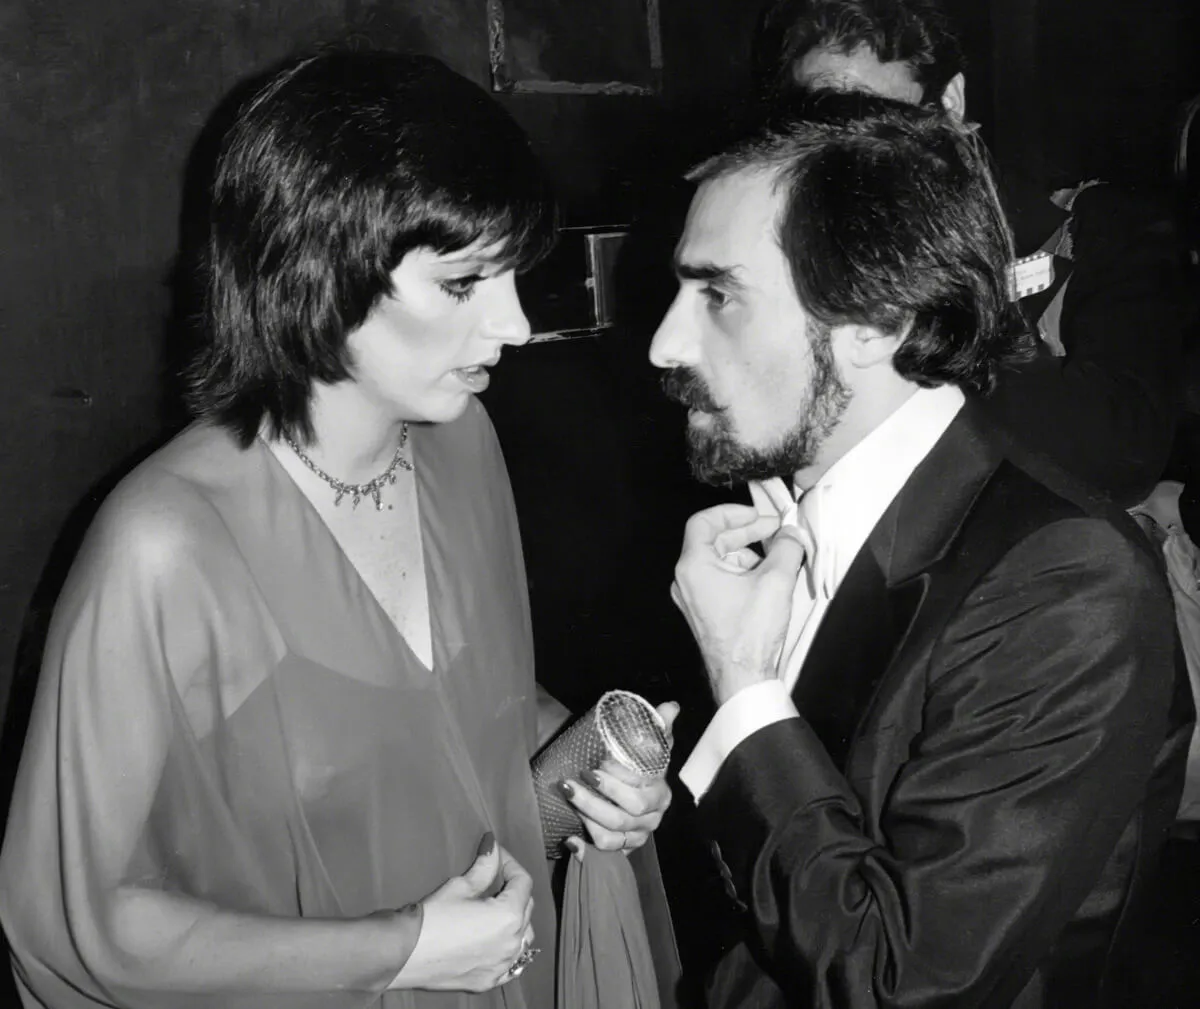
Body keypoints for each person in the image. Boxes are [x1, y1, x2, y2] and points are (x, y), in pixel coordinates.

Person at [0, 50, 672, 1009]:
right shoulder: (167, 546)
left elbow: (444, 704)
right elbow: (85, 918)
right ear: (317, 268)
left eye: (512, 275)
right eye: (462, 283)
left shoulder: (461, 443)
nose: (518, 325)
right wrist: (399, 951)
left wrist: (588, 768)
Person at [652, 91, 1194, 1007]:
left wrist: (741, 685)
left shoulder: (1067, 585)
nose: (666, 342)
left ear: (876, 321)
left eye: (719, 295)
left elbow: (897, 981)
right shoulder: (785, 520)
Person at [750, 0, 1192, 510]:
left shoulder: (1097, 227)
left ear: (950, 101)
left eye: (876, 120)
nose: (852, 157)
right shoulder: (791, 259)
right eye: (822, 125)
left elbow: (1121, 455)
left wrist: (918, 306)